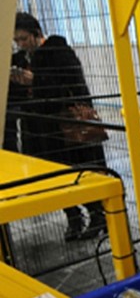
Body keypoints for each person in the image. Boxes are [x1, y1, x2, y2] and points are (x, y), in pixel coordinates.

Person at [11, 12, 107, 240]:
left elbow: (72, 84)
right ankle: (73, 217)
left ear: (37, 34)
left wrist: (35, 80)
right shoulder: (19, 60)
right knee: (52, 176)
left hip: (65, 127)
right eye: (17, 40)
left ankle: (97, 215)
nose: (21, 44)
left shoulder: (58, 51)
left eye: (24, 38)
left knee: (77, 172)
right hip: (38, 129)